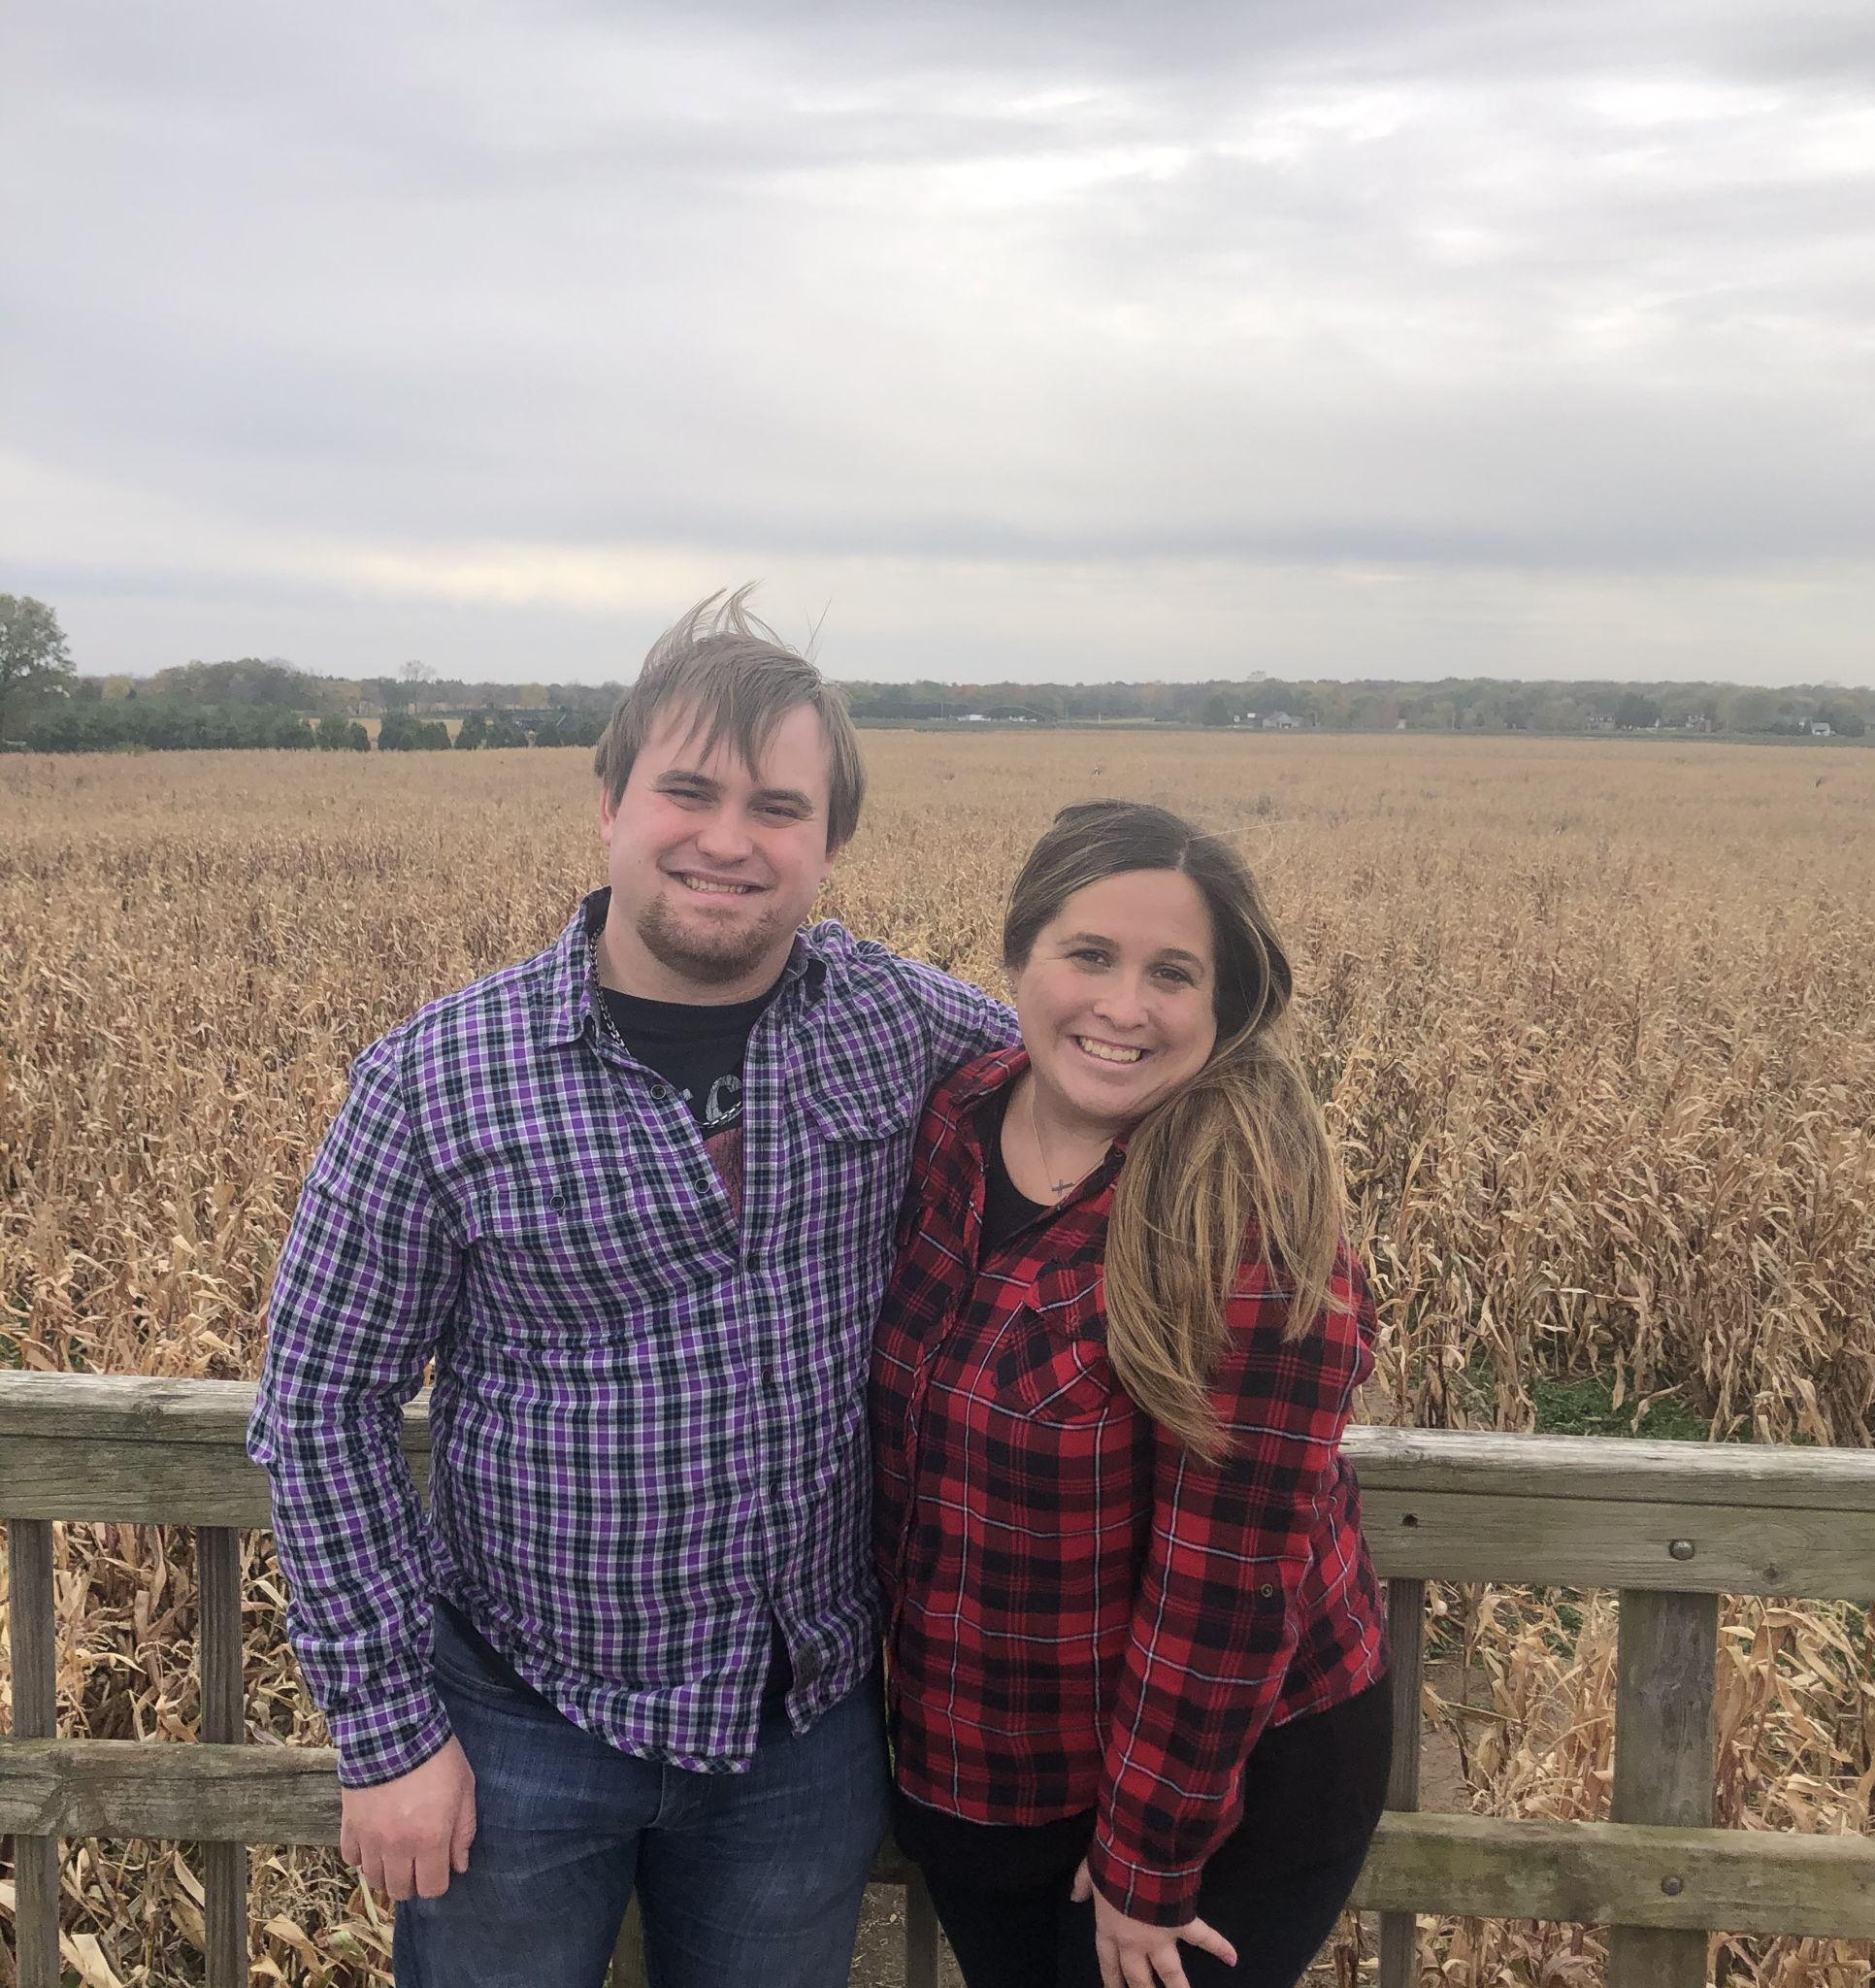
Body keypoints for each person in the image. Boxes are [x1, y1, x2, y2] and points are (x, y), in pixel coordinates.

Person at [247, 589, 1014, 1988]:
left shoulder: (901, 1023)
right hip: (516, 1718)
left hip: (801, 1729)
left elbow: (1107, 1072)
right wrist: (389, 1733)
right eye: (688, 791)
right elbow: (319, 1407)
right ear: (609, 804)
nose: (729, 839)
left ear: (828, 842)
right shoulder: (438, 1078)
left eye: (778, 807)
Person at [872, 801, 1392, 1988]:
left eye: (1172, 973)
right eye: (1090, 954)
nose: (1122, 1006)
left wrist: (1147, 1858)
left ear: (1221, 1003)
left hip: (1216, 1785)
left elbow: (1226, 1579)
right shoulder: (953, 1118)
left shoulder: (1241, 1217)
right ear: (1019, 955)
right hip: (982, 1757)